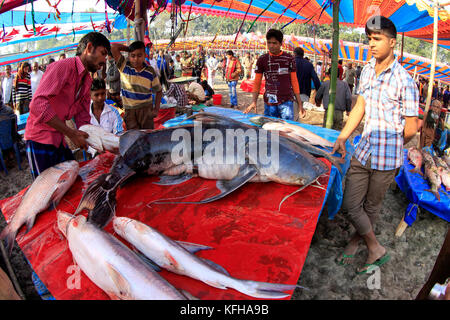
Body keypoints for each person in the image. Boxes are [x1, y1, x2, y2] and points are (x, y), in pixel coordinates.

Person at [332, 16, 418, 274]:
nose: (372, 44)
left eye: (377, 39)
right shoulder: (367, 70)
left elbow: (412, 127)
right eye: (370, 39)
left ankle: (357, 241)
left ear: (392, 42)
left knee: (372, 206)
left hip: (387, 158)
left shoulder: (405, 81)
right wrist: (343, 136)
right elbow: (360, 106)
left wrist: (392, 144)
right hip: (363, 148)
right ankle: (375, 246)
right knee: (350, 204)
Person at [24, 32, 111, 179]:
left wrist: (95, 140)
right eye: (103, 53)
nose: (104, 60)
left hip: (59, 137)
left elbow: (82, 117)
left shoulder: (87, 80)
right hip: (40, 138)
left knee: (71, 182)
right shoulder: (62, 67)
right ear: (89, 48)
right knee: (49, 193)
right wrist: (71, 133)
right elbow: (37, 105)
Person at [245, 29, 305, 120]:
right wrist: (254, 101)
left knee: (286, 130)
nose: (271, 46)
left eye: (274, 43)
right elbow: (257, 82)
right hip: (269, 102)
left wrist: (300, 104)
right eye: (269, 43)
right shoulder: (262, 59)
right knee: (270, 130)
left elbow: (294, 81)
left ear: (281, 44)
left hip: (286, 102)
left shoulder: (289, 59)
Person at [111, 40, 162, 130]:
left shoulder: (150, 71)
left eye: (139, 55)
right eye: (133, 56)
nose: (136, 59)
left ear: (144, 56)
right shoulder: (124, 66)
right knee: (134, 137)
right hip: (129, 110)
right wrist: (129, 49)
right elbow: (114, 47)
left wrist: (156, 109)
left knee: (147, 136)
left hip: (146, 110)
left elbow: (158, 90)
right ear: (129, 56)